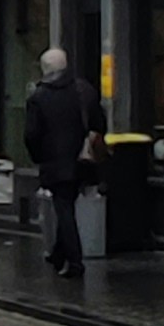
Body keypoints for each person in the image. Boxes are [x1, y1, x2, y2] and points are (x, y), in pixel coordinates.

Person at [23, 45, 106, 278]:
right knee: (66, 205)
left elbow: (31, 135)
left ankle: (75, 261)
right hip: (83, 161)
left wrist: (39, 157)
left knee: (64, 209)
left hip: (55, 163)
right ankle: (58, 253)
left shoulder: (38, 98)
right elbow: (99, 123)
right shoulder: (84, 90)